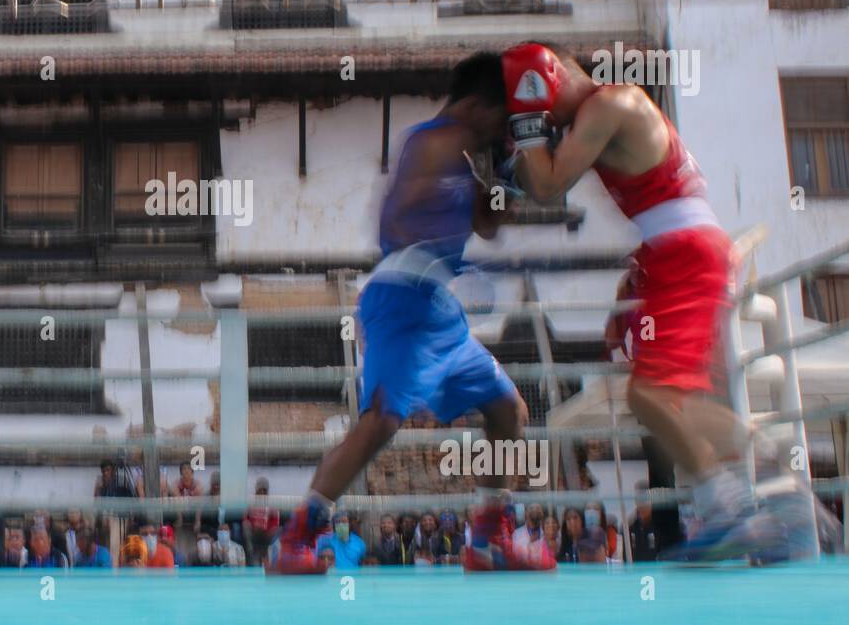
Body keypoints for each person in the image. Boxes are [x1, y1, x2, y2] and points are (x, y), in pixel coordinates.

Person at [500, 42, 779, 561]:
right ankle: (769, 470)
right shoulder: (601, 113)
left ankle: (734, 509)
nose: (544, 118)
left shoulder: (612, 103)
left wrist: (526, 121)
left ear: (551, 76)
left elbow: (548, 184)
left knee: (647, 397)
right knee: (668, 400)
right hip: (666, 255)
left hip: (687, 254)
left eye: (536, 97)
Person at [271, 53, 547, 574]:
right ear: (474, 104)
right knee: (380, 422)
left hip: (440, 309)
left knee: (509, 410)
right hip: (403, 294)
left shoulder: (469, 155)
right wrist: (463, 195)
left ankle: (487, 539)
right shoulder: (433, 141)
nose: (498, 127)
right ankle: (295, 541)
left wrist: (505, 180)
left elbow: (488, 226)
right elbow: (396, 221)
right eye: (498, 115)